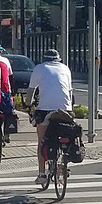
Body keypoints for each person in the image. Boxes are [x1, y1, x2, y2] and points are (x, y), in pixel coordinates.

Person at [28, 48, 73, 187]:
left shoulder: (39, 68)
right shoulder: (65, 69)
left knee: (42, 141)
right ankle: (63, 160)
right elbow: (70, 91)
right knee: (64, 136)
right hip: (65, 110)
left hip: (45, 110)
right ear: (58, 59)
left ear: (44, 58)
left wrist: (28, 104)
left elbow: (31, 90)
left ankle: (42, 174)